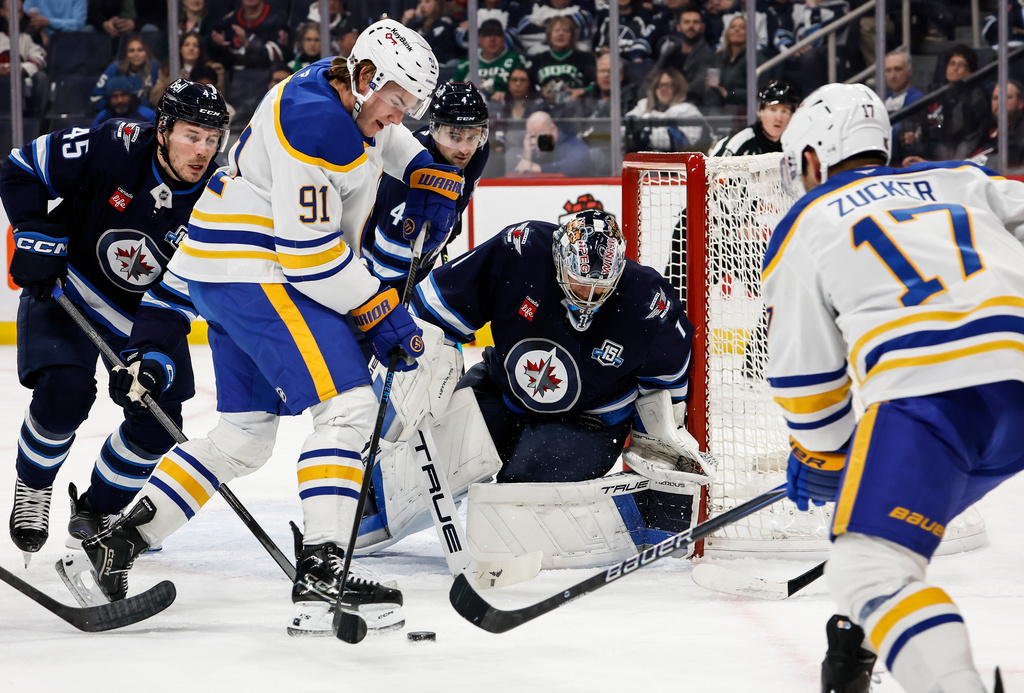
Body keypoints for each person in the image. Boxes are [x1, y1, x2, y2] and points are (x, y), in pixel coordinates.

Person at [76, 20, 463, 638]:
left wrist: (426, 170)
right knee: (349, 406)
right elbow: (312, 263)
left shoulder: (332, 87)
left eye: (410, 107)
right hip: (258, 272)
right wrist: (380, 308)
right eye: (397, 101)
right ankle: (322, 572)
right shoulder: (318, 127)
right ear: (364, 78)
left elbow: (381, 139)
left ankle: (116, 542)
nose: (400, 118)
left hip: (226, 268)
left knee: (244, 437)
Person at [770, 82, 1024, 693]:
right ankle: (855, 641)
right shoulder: (964, 179)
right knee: (894, 527)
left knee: (868, 563)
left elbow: (806, 383)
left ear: (812, 160)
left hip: (935, 395)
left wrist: (827, 456)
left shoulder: (809, 219)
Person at [0, 79, 228, 564]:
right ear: (163, 129)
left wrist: (151, 361)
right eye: (192, 135)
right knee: (65, 391)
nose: (203, 150)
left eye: (212, 140)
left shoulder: (217, 200)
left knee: (157, 425)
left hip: (147, 314)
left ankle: (97, 511)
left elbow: (184, 294)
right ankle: (34, 486)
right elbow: (19, 169)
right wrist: (34, 234)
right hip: (69, 289)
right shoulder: (113, 143)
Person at [362, 81, 489, 290]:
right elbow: (387, 272)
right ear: (434, 130)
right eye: (454, 136)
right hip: (368, 264)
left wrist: (451, 223)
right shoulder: (408, 180)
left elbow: (461, 195)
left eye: (473, 136)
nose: (465, 149)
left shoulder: (480, 150)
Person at [900, 44, 991, 165]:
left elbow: (978, 131)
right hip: (935, 148)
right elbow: (922, 119)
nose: (955, 68)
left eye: (961, 65)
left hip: (967, 150)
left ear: (970, 71)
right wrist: (914, 133)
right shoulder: (934, 92)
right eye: (952, 64)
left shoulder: (977, 94)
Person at [528, 15, 596, 117]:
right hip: (544, 109)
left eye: (565, 31)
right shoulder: (537, 60)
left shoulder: (585, 59)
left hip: (576, 109)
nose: (561, 34)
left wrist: (582, 91)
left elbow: (597, 84)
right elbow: (525, 90)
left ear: (572, 36)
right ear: (549, 35)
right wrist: (540, 94)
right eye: (557, 30)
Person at [624, 66, 705, 152]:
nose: (663, 89)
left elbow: (684, 143)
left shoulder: (688, 110)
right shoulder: (644, 105)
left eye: (668, 85)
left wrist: (644, 132)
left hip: (673, 161)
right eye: (660, 85)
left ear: (677, 89)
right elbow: (624, 127)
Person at [709, 79, 798, 156]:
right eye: (773, 110)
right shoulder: (739, 143)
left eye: (784, 111)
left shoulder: (795, 144)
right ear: (759, 112)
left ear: (792, 115)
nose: (778, 118)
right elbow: (712, 173)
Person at [451, 17, 527, 100]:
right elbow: (451, 93)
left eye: (497, 34)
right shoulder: (466, 65)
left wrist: (506, 94)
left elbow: (525, 89)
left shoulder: (516, 60)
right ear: (480, 39)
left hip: (504, 109)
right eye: (487, 34)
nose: (492, 39)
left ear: (503, 39)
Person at [655, 6, 714, 108]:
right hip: (661, 102)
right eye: (686, 22)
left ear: (702, 28)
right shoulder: (670, 51)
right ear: (678, 27)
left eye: (695, 22)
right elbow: (652, 77)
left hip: (688, 106)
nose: (691, 26)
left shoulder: (707, 55)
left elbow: (696, 87)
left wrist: (667, 97)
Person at [90, 33, 161, 113]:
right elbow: (95, 98)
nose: (136, 54)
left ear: (146, 52)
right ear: (126, 54)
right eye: (131, 51)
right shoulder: (115, 68)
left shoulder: (153, 69)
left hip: (143, 116)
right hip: (116, 114)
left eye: (140, 50)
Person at [149, 32, 226, 106]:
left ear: (201, 49)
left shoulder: (214, 69)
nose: (191, 48)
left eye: (196, 45)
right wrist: (172, 81)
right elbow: (154, 99)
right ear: (180, 49)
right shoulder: (167, 70)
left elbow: (219, 96)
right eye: (187, 45)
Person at [0, 0, 49, 117]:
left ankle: (36, 122)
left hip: (22, 88)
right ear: (2, 12)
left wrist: (21, 69)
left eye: (19, 11)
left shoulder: (27, 37)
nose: (15, 15)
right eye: (10, 11)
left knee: (42, 77)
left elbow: (40, 58)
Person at [210, 0, 289, 71]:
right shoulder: (229, 21)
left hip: (266, 75)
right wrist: (221, 46)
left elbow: (278, 54)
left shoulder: (277, 18)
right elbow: (223, 60)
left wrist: (249, 43)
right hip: (234, 77)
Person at [511, 109, 593, 176]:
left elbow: (579, 164)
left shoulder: (573, 143)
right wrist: (527, 154)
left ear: (553, 129)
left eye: (540, 134)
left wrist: (540, 168)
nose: (535, 140)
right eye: (531, 136)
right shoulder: (531, 149)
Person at [970, 79, 1024, 169]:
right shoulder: (982, 132)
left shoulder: (1020, 138)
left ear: (1020, 103)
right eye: (996, 98)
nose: (1000, 102)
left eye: (1007, 97)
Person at [883, 48, 923, 162]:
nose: (892, 75)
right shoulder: (883, 99)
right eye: (888, 70)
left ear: (909, 71)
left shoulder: (917, 98)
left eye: (897, 69)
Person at [402, 0, 462, 66]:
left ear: (437, 4)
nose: (422, 5)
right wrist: (405, 22)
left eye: (427, 1)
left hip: (441, 67)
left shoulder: (445, 22)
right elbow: (403, 41)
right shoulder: (420, 23)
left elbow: (424, 45)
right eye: (420, 2)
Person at [92, 74, 156, 126]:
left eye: (123, 95)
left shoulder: (148, 115)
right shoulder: (102, 118)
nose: (120, 100)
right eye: (115, 96)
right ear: (109, 99)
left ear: (130, 96)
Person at [23, 0, 87, 46]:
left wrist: (49, 22)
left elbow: (78, 23)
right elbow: (26, 14)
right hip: (40, 37)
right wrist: (41, 31)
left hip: (71, 37)